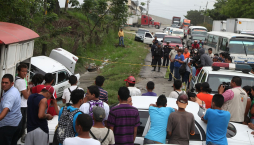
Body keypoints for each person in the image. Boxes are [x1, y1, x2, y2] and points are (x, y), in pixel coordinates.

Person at [0, 74, 22, 145]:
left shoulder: (10, 95)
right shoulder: (12, 89)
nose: (3, 84)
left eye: (6, 83)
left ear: (12, 83)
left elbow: (6, 109)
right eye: (2, 82)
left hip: (8, 126)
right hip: (16, 123)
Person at [14, 64, 30, 142]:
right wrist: (29, 90)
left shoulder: (17, 79)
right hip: (22, 106)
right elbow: (26, 96)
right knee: (21, 126)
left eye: (26, 71)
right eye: (23, 71)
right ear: (18, 71)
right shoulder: (21, 81)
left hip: (20, 105)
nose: (24, 73)